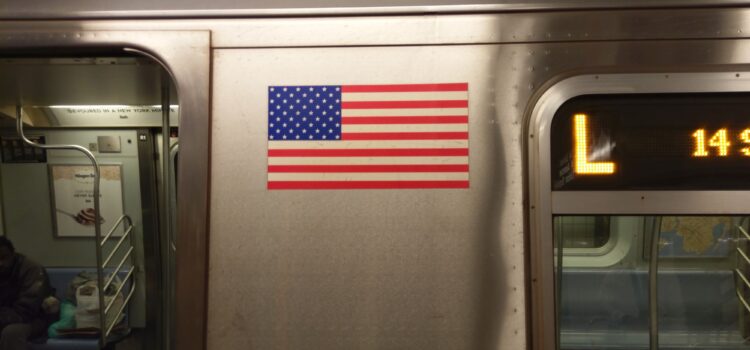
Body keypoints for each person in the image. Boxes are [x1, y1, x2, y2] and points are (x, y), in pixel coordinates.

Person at [0, 237, 54, 350]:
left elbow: (26, 310)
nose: (1, 263)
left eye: (4, 258)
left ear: (13, 254)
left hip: (36, 318)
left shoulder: (31, 269)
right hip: (7, 316)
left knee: (11, 333)